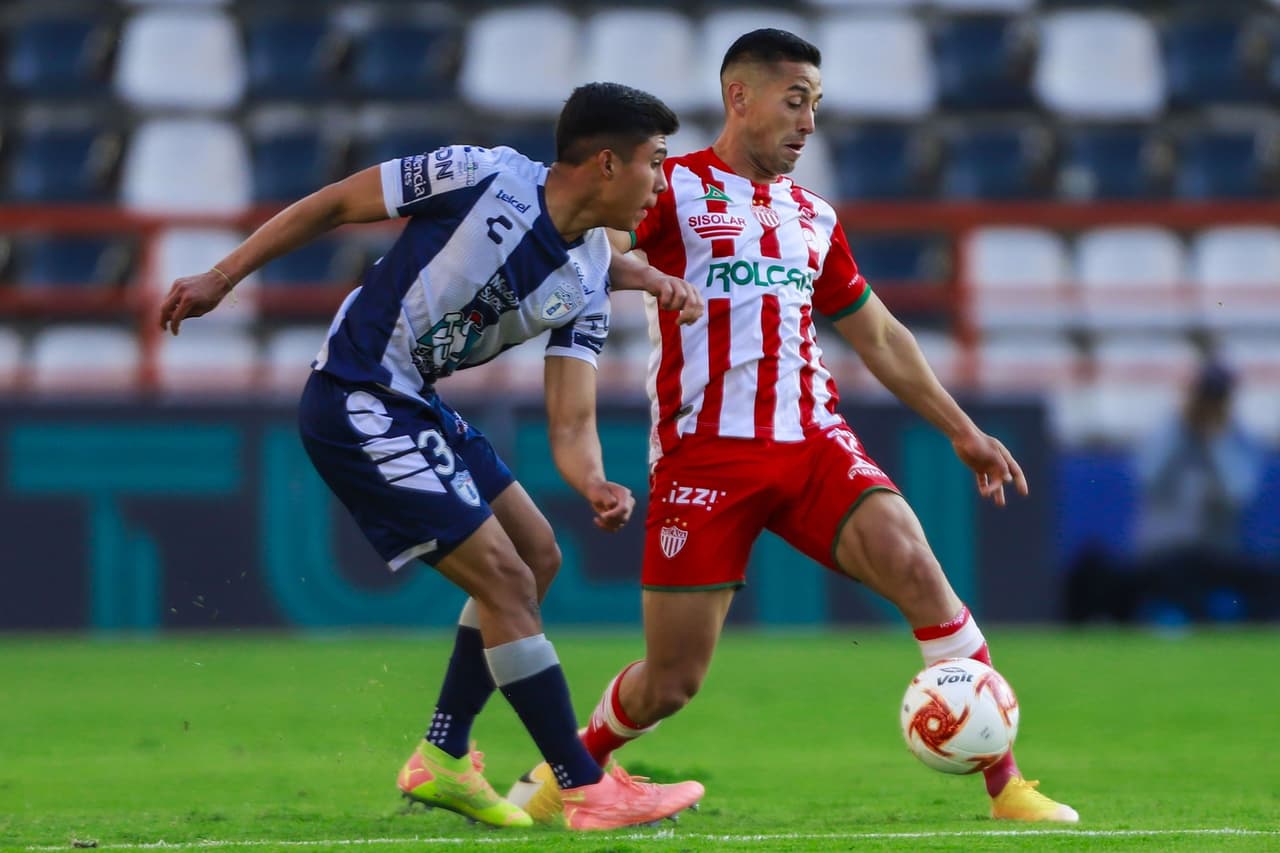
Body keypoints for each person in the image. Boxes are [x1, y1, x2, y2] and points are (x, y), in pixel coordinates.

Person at [508, 30, 1078, 823]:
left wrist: (962, 428)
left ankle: (1007, 785)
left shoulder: (815, 216)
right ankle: (564, 767)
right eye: (796, 100)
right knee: (672, 680)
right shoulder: (667, 187)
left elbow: (877, 333)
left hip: (813, 442)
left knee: (917, 567)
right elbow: (594, 248)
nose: (809, 122)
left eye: (816, 104)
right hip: (704, 457)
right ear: (739, 98)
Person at [158, 82, 706, 832]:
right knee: (508, 577)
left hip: (414, 399)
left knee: (537, 554)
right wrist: (223, 276)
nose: (661, 182)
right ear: (607, 164)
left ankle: (443, 756)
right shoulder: (479, 175)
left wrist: (594, 480)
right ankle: (583, 783)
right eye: (655, 162)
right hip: (357, 395)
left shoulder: (586, 280)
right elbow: (332, 204)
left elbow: (570, 418)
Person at [1068, 360, 1274, 622]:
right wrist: (1184, 431)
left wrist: (1213, 441)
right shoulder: (1168, 433)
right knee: (1173, 577)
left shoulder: (1238, 438)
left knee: (1264, 581)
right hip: (1165, 553)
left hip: (1217, 553)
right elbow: (1146, 479)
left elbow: (1238, 494)